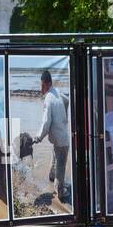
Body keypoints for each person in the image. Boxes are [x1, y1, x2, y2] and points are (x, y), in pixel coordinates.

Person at [36, 69, 71, 204]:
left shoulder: (48, 99)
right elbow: (66, 99)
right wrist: (64, 117)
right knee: (56, 155)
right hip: (61, 136)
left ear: (47, 84)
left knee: (60, 163)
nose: (41, 88)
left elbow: (46, 122)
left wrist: (38, 138)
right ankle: (53, 179)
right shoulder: (56, 93)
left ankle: (60, 192)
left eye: (42, 85)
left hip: (59, 138)